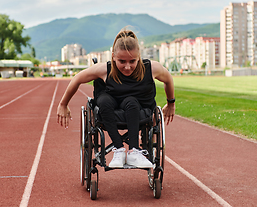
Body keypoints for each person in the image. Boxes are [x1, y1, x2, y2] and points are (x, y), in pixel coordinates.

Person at [57, 28, 175, 168]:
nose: (127, 67)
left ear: (139, 57)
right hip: (110, 106)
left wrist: (171, 103)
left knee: (132, 102)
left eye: (132, 61)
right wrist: (63, 104)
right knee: (104, 100)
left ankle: (134, 151)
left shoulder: (151, 68)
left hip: (137, 107)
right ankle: (119, 149)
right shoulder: (104, 70)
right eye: (121, 61)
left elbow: (168, 79)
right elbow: (77, 79)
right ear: (113, 56)